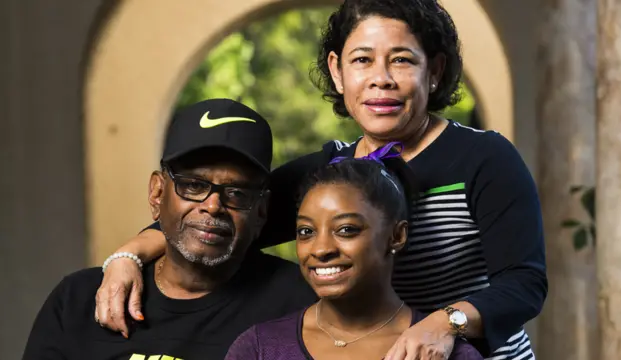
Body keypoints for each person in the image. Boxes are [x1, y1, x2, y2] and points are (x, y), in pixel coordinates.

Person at [95, 0, 548, 359]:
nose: (381, 80)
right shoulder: (331, 174)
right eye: (362, 60)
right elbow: (230, 218)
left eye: (403, 61)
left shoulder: (483, 158)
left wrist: (441, 325)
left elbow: (524, 284)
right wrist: (128, 255)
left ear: (435, 71)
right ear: (337, 70)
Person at [22, 99, 317, 360]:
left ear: (262, 211)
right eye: (193, 185)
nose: (213, 206)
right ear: (157, 194)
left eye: (237, 193)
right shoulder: (79, 300)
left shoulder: (300, 305)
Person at [225, 144, 483, 360]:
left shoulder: (443, 353)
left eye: (346, 229)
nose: (321, 249)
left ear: (396, 236)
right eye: (306, 232)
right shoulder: (258, 348)